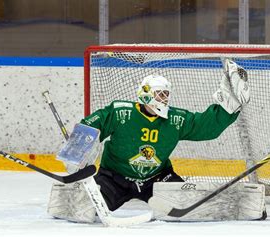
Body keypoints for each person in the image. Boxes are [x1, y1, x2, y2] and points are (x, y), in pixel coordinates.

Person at [49, 58, 252, 223]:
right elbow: (93, 124)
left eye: (166, 94)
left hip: (157, 179)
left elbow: (205, 127)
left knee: (189, 206)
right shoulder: (121, 112)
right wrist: (76, 150)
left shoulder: (175, 119)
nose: (164, 99)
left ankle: (243, 206)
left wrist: (227, 108)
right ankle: (67, 198)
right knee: (82, 209)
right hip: (114, 178)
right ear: (145, 95)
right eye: (159, 94)